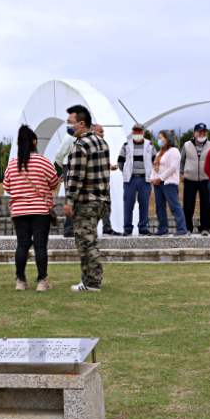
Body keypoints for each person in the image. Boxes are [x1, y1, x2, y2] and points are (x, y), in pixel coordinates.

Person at [3, 125, 59, 292]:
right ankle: (42, 281)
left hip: (19, 211)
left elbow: (7, 187)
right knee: (40, 246)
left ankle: (20, 280)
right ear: (34, 141)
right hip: (40, 210)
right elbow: (54, 182)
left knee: (22, 245)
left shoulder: (13, 164)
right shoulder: (43, 161)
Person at [63, 104, 111, 293]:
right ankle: (91, 279)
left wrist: (69, 201)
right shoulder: (102, 143)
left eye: (70, 123)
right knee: (91, 238)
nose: (69, 126)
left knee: (85, 242)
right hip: (101, 200)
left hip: (86, 201)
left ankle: (92, 282)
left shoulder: (80, 145)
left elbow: (75, 176)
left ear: (81, 124)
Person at [117, 123, 155, 235]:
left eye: (139, 131)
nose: (137, 133)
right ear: (132, 132)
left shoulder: (150, 145)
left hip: (145, 180)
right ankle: (127, 229)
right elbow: (120, 161)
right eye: (135, 131)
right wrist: (125, 172)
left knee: (144, 205)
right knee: (128, 205)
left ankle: (143, 228)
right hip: (130, 180)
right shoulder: (126, 145)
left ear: (142, 132)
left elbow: (155, 161)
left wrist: (151, 173)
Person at [151, 131, 188, 236]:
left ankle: (181, 228)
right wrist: (153, 178)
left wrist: (161, 178)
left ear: (168, 139)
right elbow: (154, 167)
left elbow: (173, 167)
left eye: (161, 137)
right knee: (159, 207)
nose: (159, 140)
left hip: (169, 183)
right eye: (158, 138)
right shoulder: (159, 153)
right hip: (158, 184)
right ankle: (163, 228)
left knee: (174, 206)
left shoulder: (174, 151)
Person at [180, 123, 210, 235]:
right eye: (199, 131)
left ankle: (205, 228)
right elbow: (182, 161)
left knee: (206, 204)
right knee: (188, 204)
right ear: (194, 133)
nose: (202, 134)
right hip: (190, 179)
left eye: (204, 132)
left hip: (206, 179)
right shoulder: (186, 145)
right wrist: (181, 173)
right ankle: (187, 228)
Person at [93, 124, 121, 235]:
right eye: (100, 131)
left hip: (104, 182)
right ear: (93, 131)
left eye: (103, 131)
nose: (102, 133)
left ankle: (107, 227)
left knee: (107, 205)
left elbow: (102, 161)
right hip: (94, 182)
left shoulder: (102, 145)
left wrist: (110, 166)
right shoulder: (89, 146)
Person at [54, 128, 75, 237]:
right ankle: (68, 228)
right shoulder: (70, 136)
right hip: (71, 166)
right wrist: (64, 168)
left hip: (71, 166)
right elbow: (59, 155)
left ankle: (71, 228)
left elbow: (59, 156)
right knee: (71, 198)